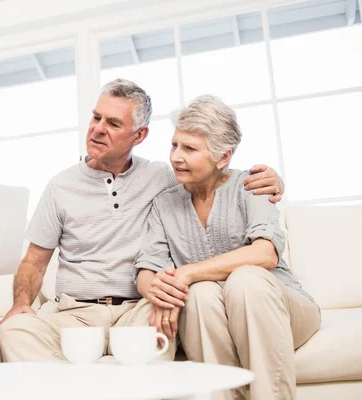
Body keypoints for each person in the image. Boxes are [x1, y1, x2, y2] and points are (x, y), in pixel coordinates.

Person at [0, 79, 284, 362]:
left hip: (141, 309)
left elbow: (211, 174)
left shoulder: (165, 178)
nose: (98, 129)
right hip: (75, 314)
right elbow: (33, 262)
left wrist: (272, 180)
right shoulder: (60, 186)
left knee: (162, 320)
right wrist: (21, 304)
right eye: (96, 118)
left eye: (113, 123)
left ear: (139, 135)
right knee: (12, 332)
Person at [135, 95, 320, 399]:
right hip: (213, 313)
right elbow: (146, 271)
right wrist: (161, 291)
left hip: (278, 308)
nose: (176, 157)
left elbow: (265, 254)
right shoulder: (165, 204)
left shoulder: (252, 185)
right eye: (174, 145)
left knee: (247, 280)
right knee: (201, 293)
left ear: (223, 157)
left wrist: (185, 273)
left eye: (190, 148)